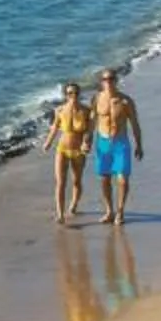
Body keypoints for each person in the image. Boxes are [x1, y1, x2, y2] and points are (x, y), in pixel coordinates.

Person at [90, 67, 144, 224]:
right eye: (105, 79)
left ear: (116, 80)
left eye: (111, 79)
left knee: (123, 179)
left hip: (120, 142)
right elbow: (92, 121)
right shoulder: (96, 99)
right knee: (104, 178)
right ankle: (109, 211)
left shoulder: (125, 101)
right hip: (103, 141)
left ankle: (120, 211)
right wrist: (87, 139)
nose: (108, 82)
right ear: (101, 82)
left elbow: (135, 124)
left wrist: (139, 145)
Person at [47, 81, 93, 222]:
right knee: (60, 182)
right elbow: (55, 127)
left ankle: (73, 205)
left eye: (76, 93)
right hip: (62, 149)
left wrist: (86, 143)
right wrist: (48, 142)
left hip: (78, 151)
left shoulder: (86, 111)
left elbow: (89, 131)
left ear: (79, 94)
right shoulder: (59, 110)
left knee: (76, 181)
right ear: (66, 95)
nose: (73, 95)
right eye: (70, 93)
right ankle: (60, 214)